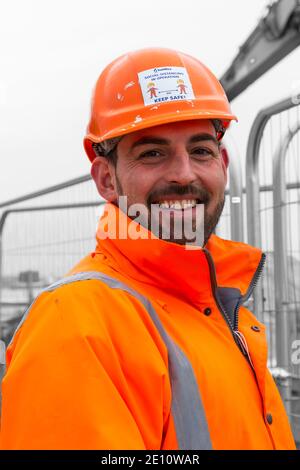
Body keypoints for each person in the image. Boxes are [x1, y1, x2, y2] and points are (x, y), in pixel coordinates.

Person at [0, 48, 296, 450]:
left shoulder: (222, 309)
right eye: (152, 153)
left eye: (201, 151)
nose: (183, 174)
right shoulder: (75, 326)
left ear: (223, 165)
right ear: (106, 179)